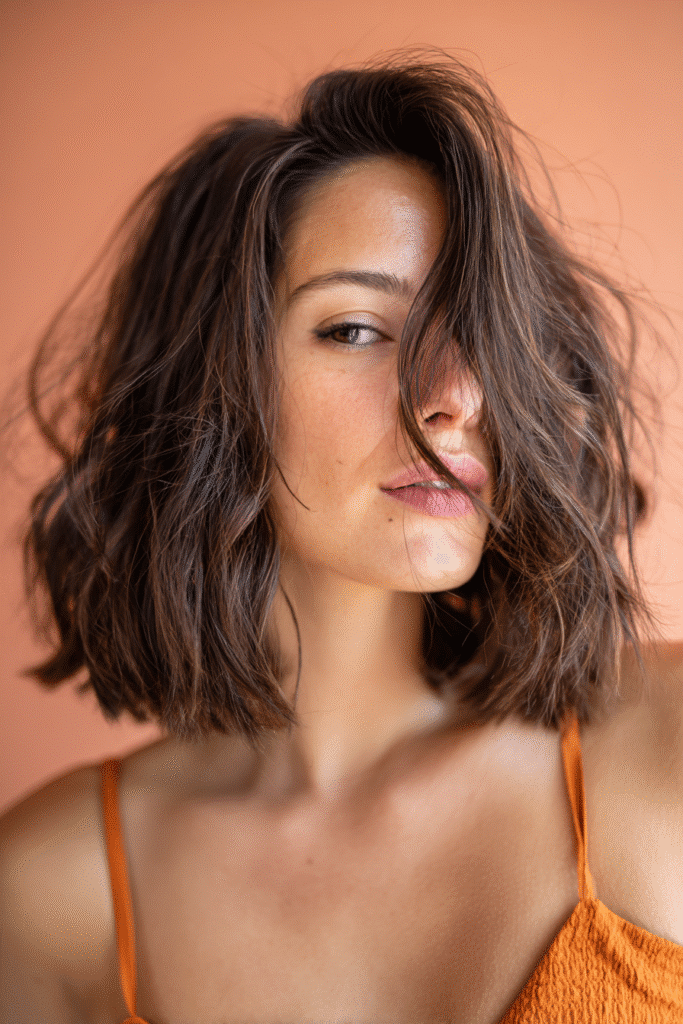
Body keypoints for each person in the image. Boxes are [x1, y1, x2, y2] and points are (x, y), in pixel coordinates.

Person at [0, 48, 681, 1024]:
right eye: (356, 329)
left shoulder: (662, 748)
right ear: (211, 388)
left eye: (475, 330)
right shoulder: (50, 896)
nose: (455, 395)